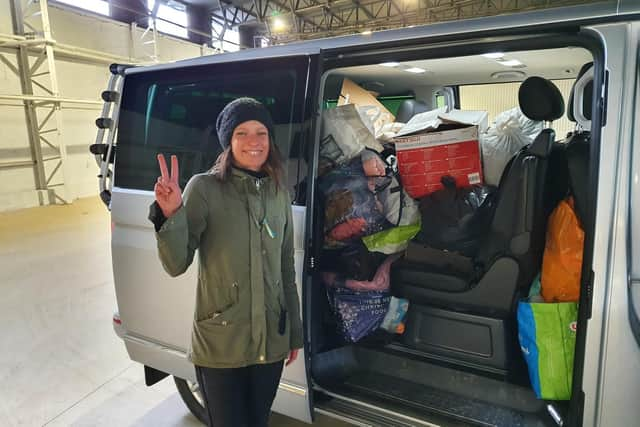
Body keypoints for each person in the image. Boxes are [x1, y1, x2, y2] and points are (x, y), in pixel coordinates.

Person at [149, 97, 303, 427]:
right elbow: (176, 263)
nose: (253, 142)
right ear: (228, 142)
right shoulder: (204, 188)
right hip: (221, 344)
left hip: (270, 342)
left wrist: (293, 333)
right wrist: (171, 214)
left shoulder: (278, 191)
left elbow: (285, 268)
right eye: (241, 133)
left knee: (258, 421)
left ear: (270, 139)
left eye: (261, 132)